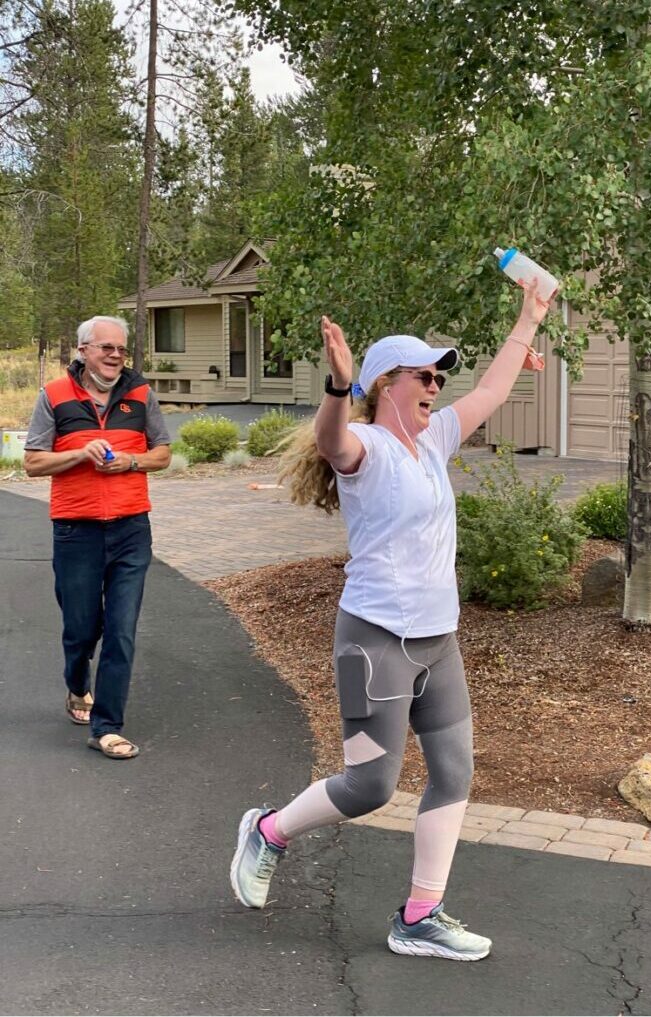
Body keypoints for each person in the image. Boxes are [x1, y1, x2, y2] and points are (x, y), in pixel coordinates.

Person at [230, 278, 553, 960]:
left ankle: (419, 915)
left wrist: (529, 318)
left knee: (454, 771)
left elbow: (493, 389)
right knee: (371, 784)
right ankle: (269, 831)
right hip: (374, 641)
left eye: (439, 376)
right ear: (384, 383)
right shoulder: (366, 449)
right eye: (423, 375)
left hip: (439, 641)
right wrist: (336, 386)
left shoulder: (434, 439)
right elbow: (329, 440)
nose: (435, 385)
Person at [23, 316, 171, 759]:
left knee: (122, 629)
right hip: (76, 531)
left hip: (131, 530)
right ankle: (76, 684)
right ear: (83, 349)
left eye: (121, 349)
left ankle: (107, 726)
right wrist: (76, 454)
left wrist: (130, 462)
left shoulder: (142, 394)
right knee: (81, 628)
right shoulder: (53, 395)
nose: (114, 355)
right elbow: (32, 462)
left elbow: (162, 453)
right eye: (105, 347)